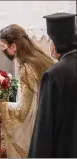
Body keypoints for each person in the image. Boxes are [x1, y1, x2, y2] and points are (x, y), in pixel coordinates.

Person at [0, 24, 54, 157]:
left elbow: (22, 111)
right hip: (48, 117)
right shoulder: (40, 57)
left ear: (14, 46)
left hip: (35, 124)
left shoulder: (27, 68)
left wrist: (0, 104)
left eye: (4, 46)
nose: (3, 50)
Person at [29, 12, 77, 158]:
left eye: (50, 40)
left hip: (65, 148)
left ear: (56, 42)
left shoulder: (55, 74)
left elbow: (45, 124)